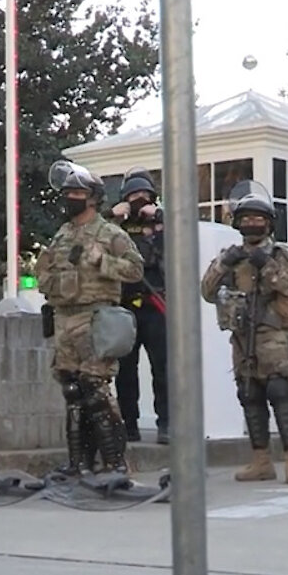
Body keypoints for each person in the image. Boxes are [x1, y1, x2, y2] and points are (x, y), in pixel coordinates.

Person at [200, 187, 288, 485]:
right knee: (249, 394)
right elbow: (207, 291)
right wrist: (225, 264)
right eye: (246, 218)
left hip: (274, 334)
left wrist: (267, 266)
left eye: (258, 218)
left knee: (281, 392)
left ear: (269, 223)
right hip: (242, 337)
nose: (252, 223)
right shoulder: (230, 257)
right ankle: (261, 460)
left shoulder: (280, 255)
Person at [36, 160, 145, 475]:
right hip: (64, 319)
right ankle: (78, 463)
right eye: (67, 192)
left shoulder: (109, 233)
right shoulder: (61, 235)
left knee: (95, 391)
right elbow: (44, 270)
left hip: (96, 319)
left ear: (93, 197)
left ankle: (114, 464)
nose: (71, 197)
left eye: (77, 192)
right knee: (72, 391)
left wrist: (103, 261)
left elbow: (135, 269)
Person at [109, 167, 170, 445]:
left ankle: (166, 424)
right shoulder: (115, 228)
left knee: (163, 369)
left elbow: (182, 243)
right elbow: (92, 238)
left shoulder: (162, 226)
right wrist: (112, 216)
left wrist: (159, 220)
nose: (139, 200)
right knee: (125, 370)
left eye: (144, 195)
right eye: (134, 195)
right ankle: (129, 424)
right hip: (124, 306)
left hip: (155, 305)